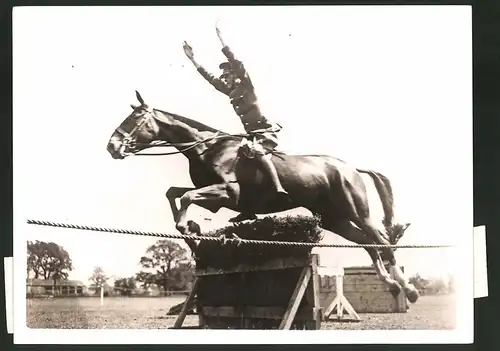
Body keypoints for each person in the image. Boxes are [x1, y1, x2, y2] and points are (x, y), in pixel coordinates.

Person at [183, 25, 291, 211]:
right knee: (238, 159)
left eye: (227, 76)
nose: (224, 79)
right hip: (250, 134)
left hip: (265, 132)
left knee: (257, 151)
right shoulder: (232, 92)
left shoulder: (246, 86)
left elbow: (237, 63)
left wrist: (222, 40)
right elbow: (211, 80)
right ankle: (248, 208)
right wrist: (193, 60)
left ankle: (278, 189)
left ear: (235, 76)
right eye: (223, 77)